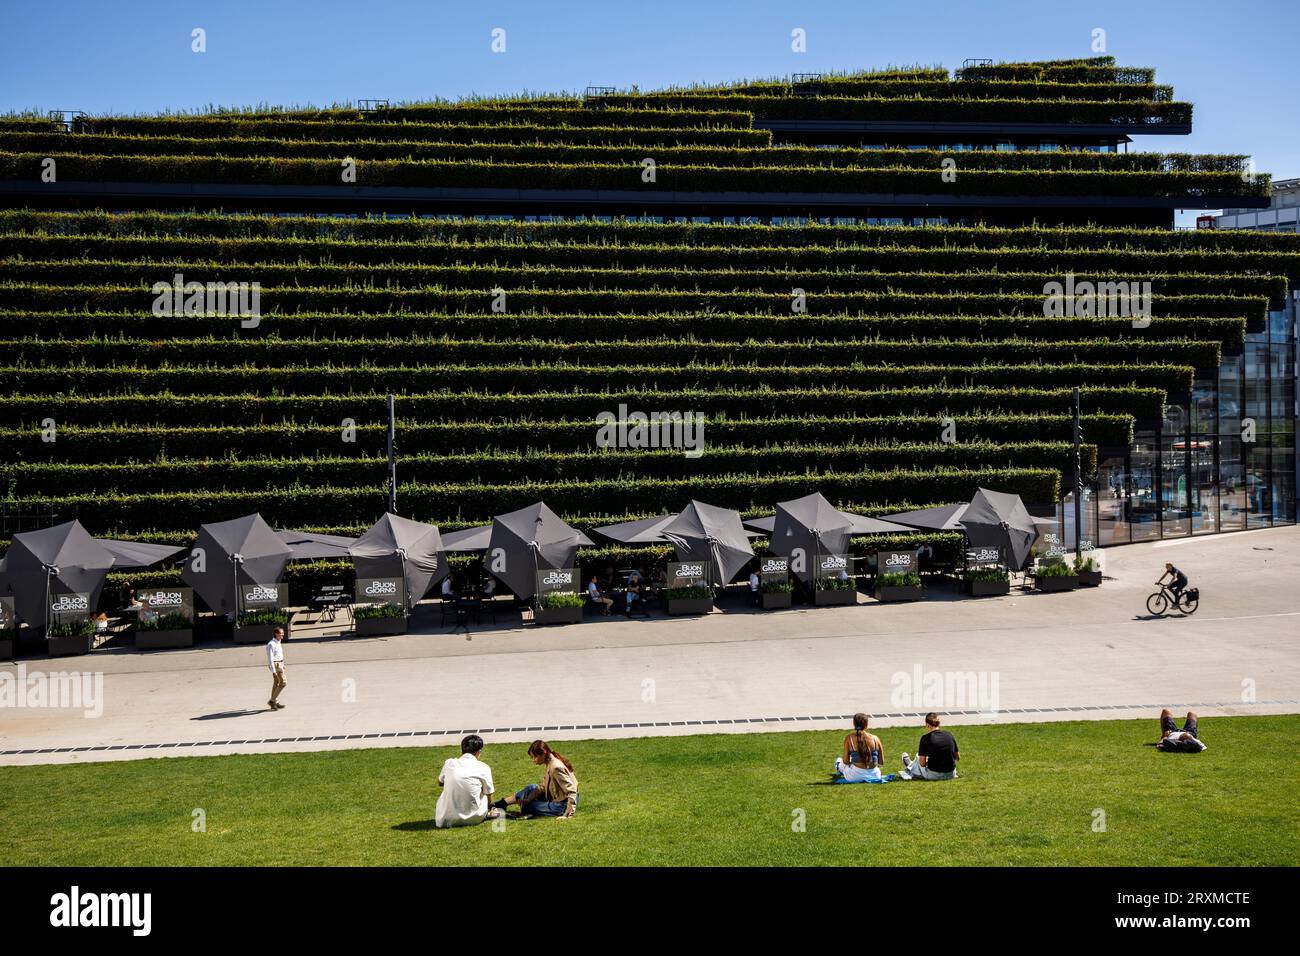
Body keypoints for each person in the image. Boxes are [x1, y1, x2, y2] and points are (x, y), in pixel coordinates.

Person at [493, 740, 579, 818]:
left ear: (544, 753)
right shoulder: (550, 762)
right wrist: (528, 799)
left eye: (534, 757)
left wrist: (567, 815)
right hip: (555, 797)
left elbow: (572, 791)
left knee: (528, 806)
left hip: (562, 805)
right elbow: (543, 787)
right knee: (531, 787)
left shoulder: (555, 767)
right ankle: (502, 804)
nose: (533, 760)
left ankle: (502, 805)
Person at [435, 735, 500, 828]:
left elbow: (440, 782)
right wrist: (491, 808)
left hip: (446, 819)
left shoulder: (449, 763)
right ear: (479, 752)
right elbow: (489, 793)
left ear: (462, 750)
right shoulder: (483, 767)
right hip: (475, 818)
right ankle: (489, 812)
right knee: (484, 791)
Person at [900, 712, 959, 780]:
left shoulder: (925, 738)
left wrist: (928, 761)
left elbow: (922, 764)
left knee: (918, 757)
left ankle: (910, 766)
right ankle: (911, 765)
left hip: (934, 775)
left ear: (927, 725)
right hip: (951, 774)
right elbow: (957, 757)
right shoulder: (949, 735)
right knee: (922, 758)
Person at [834, 713, 886, 782]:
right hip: (875, 775)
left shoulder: (849, 738)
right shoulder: (875, 738)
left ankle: (838, 766)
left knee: (839, 761)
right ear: (866, 725)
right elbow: (881, 762)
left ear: (854, 724)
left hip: (854, 776)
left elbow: (846, 761)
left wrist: (855, 761)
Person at [266, 626, 286, 710]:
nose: (282, 635)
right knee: (283, 682)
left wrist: (283, 663)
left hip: (280, 663)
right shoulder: (271, 644)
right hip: (276, 665)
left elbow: (279, 654)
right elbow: (270, 659)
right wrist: (273, 671)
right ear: (276, 634)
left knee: (276, 683)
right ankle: (272, 700)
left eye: (283, 634)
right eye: (281, 634)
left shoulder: (278, 642)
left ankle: (275, 702)